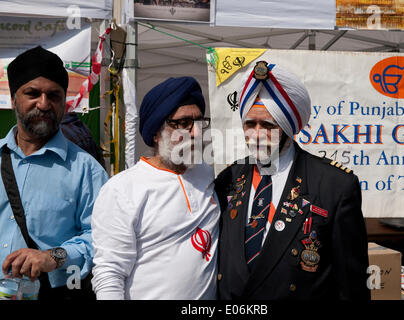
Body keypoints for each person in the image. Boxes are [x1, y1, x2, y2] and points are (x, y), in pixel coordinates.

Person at [215, 61, 370, 300]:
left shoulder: (334, 186)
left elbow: (352, 286)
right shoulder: (228, 178)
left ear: (289, 127)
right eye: (250, 124)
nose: (256, 135)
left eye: (268, 125)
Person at [91, 76, 220, 300]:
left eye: (199, 122)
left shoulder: (208, 175)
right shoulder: (122, 190)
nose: (196, 133)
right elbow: (109, 272)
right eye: (182, 124)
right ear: (155, 133)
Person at [0, 46, 108, 299]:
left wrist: (54, 257)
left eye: (54, 95)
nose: (44, 104)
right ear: (14, 98)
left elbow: (103, 238)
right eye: (33, 94)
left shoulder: (86, 169)